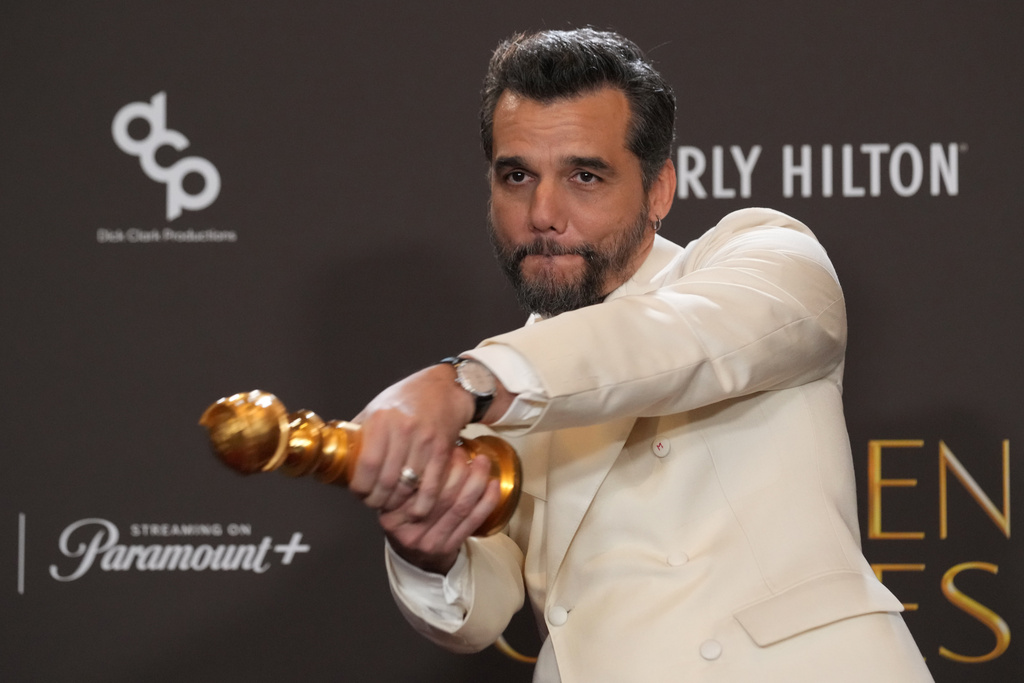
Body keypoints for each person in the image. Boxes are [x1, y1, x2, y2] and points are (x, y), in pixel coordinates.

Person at [347, 28, 934, 682]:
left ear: (658, 190)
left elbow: (664, 341)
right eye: (517, 175)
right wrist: (427, 551)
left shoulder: (767, 257)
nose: (543, 212)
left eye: (585, 176)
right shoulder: (500, 390)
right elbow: (481, 611)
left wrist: (464, 382)